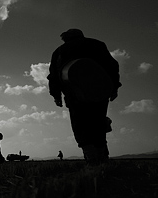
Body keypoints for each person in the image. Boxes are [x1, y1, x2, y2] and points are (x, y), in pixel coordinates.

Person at [47, 29, 121, 165]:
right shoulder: (97, 44)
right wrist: (114, 86)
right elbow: (112, 65)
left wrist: (56, 95)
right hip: (100, 89)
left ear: (66, 39)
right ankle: (102, 155)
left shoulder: (60, 51)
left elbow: (54, 75)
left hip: (73, 92)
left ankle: (91, 156)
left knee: (80, 123)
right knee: (98, 121)